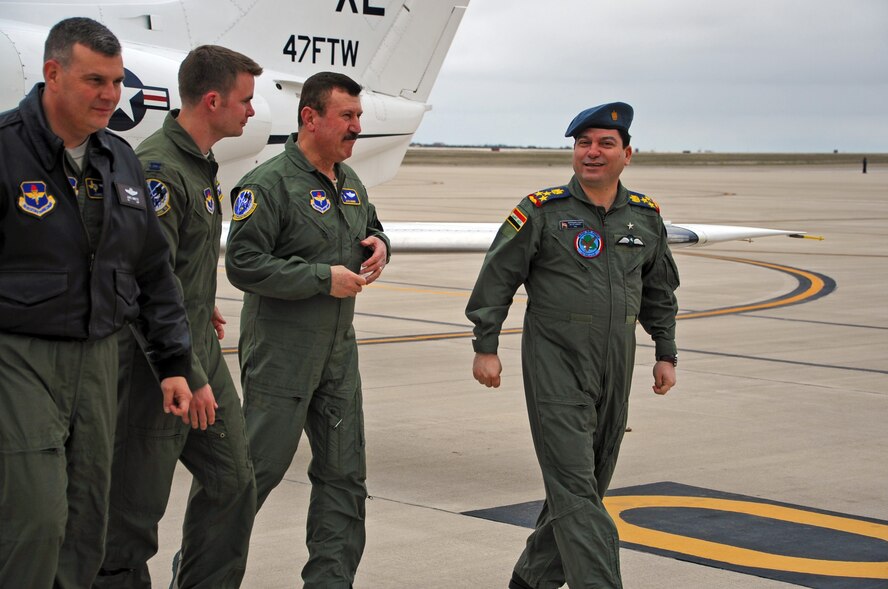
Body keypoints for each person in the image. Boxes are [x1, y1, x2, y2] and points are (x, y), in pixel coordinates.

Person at [0, 17, 192, 588]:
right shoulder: (6, 151)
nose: (111, 95)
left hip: (99, 359)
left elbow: (153, 271)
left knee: (86, 522)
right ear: (52, 74)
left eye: (116, 81)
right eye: (95, 81)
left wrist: (174, 363)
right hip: (19, 358)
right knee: (34, 518)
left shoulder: (119, 160)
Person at [465, 102, 680, 589]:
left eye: (605, 144)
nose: (592, 153)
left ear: (628, 153)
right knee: (577, 493)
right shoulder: (542, 211)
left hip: (616, 368)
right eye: (583, 143)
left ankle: (529, 583)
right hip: (556, 366)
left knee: (584, 490)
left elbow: (659, 290)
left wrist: (665, 352)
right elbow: (497, 277)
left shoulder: (644, 217)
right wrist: (486, 343)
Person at [94, 46, 263, 589]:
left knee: (234, 481)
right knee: (129, 518)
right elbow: (139, 282)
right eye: (245, 101)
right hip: (154, 367)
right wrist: (186, 370)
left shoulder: (200, 164)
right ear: (213, 101)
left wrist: (198, 292)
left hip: (197, 349)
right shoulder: (159, 171)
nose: (251, 112)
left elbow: (171, 262)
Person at [225, 71, 389, 587]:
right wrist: (322, 278)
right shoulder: (267, 184)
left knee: (344, 475)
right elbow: (243, 264)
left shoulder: (350, 179)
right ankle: (202, 576)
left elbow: (370, 225)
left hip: (338, 354)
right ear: (310, 117)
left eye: (359, 117)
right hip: (281, 352)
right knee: (251, 477)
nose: (356, 127)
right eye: (347, 116)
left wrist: (382, 243)